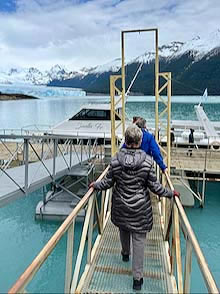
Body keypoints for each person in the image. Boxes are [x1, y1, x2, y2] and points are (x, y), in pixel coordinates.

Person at [89, 124, 180, 291]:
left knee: (123, 228)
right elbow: (154, 187)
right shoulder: (147, 161)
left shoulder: (116, 159)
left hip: (121, 204)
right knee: (139, 241)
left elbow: (108, 182)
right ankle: (137, 280)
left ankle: (125, 254)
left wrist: (96, 185)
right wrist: (170, 193)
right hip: (140, 208)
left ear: (126, 140)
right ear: (139, 141)